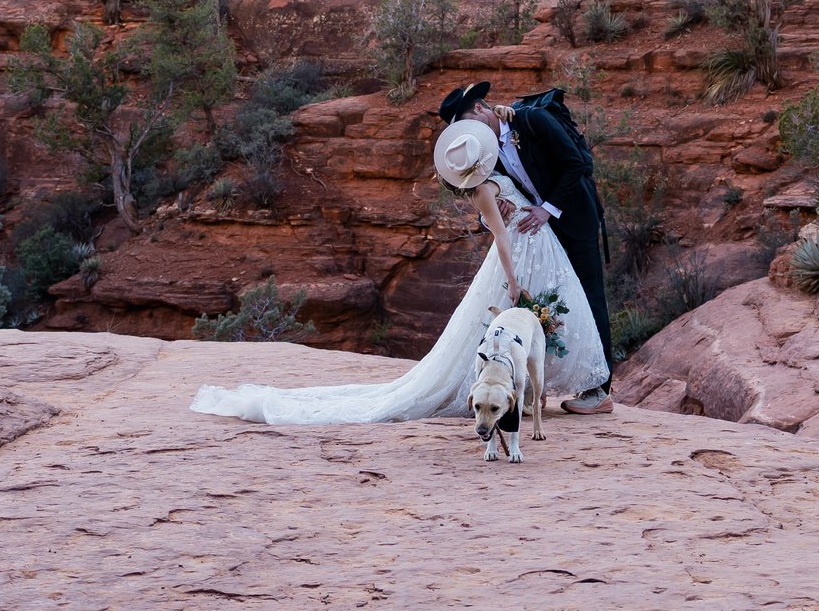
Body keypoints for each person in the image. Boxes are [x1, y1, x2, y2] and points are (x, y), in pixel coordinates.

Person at [187, 112, 609, 426]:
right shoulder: (485, 189)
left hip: (539, 249)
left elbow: (509, 210)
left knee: (547, 318)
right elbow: (499, 236)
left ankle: (527, 389)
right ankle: (509, 389)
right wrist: (512, 282)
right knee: (526, 318)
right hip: (519, 256)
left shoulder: (490, 180)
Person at [441, 80, 614, 412]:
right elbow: (489, 200)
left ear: (479, 108)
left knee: (589, 298)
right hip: (538, 238)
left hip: (573, 219)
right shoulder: (485, 151)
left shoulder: (533, 120)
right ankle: (538, 386)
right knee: (548, 303)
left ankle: (599, 392)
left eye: (468, 125)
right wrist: (498, 210)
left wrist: (547, 209)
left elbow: (574, 163)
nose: (470, 136)